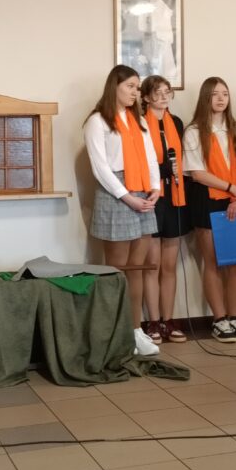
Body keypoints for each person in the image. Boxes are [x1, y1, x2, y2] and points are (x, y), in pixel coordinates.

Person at [84, 65, 161, 357]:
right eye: (130, 86)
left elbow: (151, 157)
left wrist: (155, 187)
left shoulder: (137, 120)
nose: (135, 92)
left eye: (137, 87)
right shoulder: (97, 121)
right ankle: (114, 334)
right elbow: (100, 167)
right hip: (116, 194)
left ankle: (135, 330)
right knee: (117, 270)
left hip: (142, 190)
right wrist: (127, 197)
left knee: (137, 269)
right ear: (113, 86)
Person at [183, 77, 236, 343]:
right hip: (207, 198)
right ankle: (219, 319)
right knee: (212, 262)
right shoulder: (194, 131)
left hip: (235, 199)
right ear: (205, 98)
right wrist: (231, 188)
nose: (221, 99)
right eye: (215, 94)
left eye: (225, 93)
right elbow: (197, 173)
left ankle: (235, 316)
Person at [141, 75, 192, 344]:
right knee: (152, 265)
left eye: (166, 92)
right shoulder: (140, 122)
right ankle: (152, 322)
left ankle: (168, 320)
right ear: (146, 97)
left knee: (169, 265)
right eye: (157, 92)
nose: (163, 97)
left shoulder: (177, 123)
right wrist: (159, 171)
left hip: (174, 196)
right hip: (151, 196)